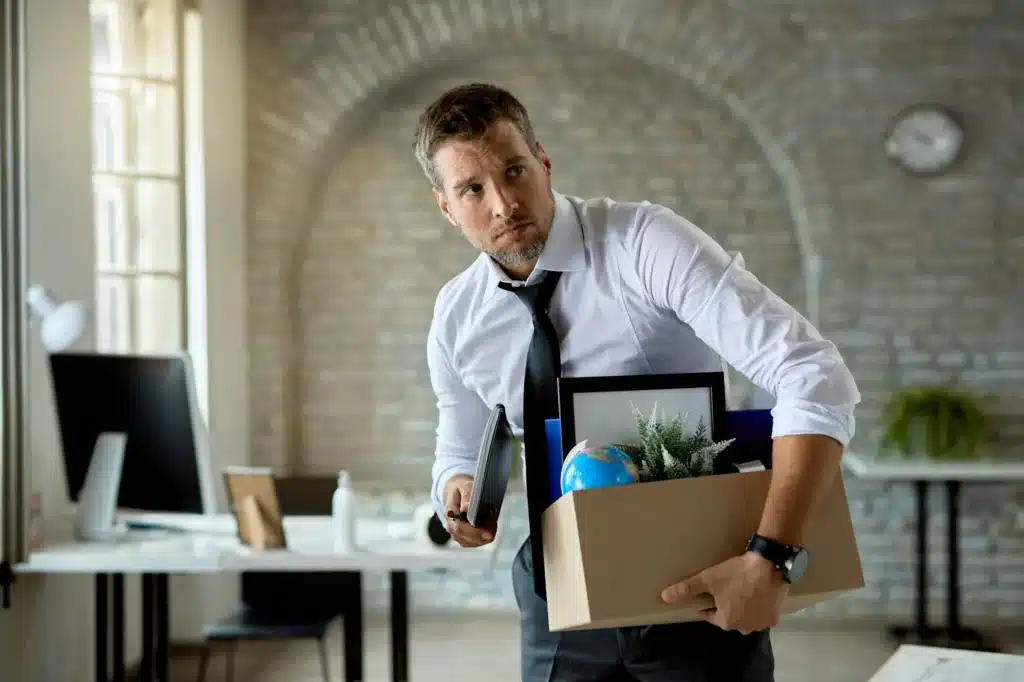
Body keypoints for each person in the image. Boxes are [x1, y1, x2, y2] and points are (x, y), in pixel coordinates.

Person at [416, 82, 860, 682]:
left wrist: (772, 558)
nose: (503, 204)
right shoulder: (456, 314)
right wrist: (458, 489)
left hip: (698, 587)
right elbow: (457, 441)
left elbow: (813, 373)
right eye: (472, 189)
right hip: (558, 591)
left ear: (544, 163)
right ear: (446, 205)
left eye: (515, 171)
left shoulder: (646, 244)